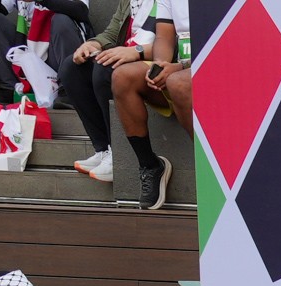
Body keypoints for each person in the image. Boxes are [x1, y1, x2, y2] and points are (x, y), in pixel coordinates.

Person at [106, 0, 188, 209]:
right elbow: (163, 36)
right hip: (180, 71)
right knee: (122, 77)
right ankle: (150, 166)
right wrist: (160, 65)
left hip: (216, 68)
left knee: (178, 82)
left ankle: (212, 167)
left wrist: (180, 67)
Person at [61, 0, 144, 182]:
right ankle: (104, 148)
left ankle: (118, 151)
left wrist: (137, 51)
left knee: (104, 69)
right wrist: (92, 44)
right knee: (72, 68)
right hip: (128, 55)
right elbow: (112, 32)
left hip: (151, 60)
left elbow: (168, 39)